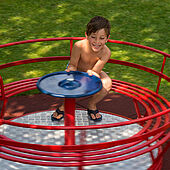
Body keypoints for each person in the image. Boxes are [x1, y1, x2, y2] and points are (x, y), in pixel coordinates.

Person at [51, 16, 112, 121]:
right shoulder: (79, 46)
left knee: (107, 83)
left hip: (92, 72)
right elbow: (73, 64)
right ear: (86, 35)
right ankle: (65, 106)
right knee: (74, 84)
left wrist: (92, 73)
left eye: (101, 38)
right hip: (77, 71)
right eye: (93, 37)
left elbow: (95, 71)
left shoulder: (106, 52)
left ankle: (91, 104)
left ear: (107, 38)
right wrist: (71, 69)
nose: (97, 42)